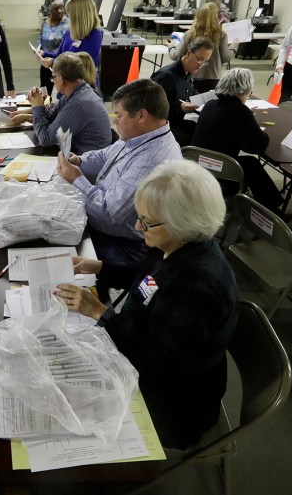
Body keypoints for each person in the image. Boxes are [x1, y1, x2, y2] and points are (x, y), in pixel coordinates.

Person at [55, 160, 238, 449]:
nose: (139, 227)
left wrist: (100, 312)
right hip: (143, 355)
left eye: (147, 221)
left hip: (173, 400)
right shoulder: (175, 245)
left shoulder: (195, 284)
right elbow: (145, 277)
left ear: (182, 223)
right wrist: (99, 266)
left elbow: (158, 361)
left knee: (64, 406)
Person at [56, 79, 182, 266]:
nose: (114, 120)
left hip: (124, 243)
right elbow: (106, 155)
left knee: (56, 247)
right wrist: (80, 161)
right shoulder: (140, 136)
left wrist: (77, 179)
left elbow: (108, 213)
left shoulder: (151, 161)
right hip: (104, 220)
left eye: (119, 115)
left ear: (141, 116)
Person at [193, 68, 286, 217]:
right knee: (251, 164)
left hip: (198, 166)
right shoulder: (241, 111)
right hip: (222, 173)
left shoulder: (210, 105)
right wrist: (263, 133)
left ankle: (271, 206)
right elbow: (259, 145)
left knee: (249, 163)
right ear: (246, 90)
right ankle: (272, 211)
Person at [28, 52, 112, 154]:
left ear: (61, 79)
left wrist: (37, 107)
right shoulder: (77, 91)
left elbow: (46, 139)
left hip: (87, 165)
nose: (53, 81)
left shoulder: (78, 103)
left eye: (53, 77)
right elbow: (52, 117)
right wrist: (39, 103)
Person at [151, 36, 214, 146]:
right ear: (188, 53)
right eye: (199, 59)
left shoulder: (187, 73)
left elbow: (191, 92)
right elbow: (153, 111)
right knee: (199, 141)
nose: (201, 65)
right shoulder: (165, 77)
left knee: (207, 133)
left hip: (175, 122)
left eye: (205, 62)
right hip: (159, 129)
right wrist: (179, 108)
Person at [168, 2, 232, 92]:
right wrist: (234, 46)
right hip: (213, 79)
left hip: (191, 78)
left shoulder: (190, 34)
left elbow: (176, 56)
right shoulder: (221, 35)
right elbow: (226, 58)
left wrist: (171, 46)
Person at [37, 0, 102, 76]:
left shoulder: (94, 35)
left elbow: (79, 65)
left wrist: (54, 62)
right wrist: (44, 54)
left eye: (70, 15)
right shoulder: (70, 31)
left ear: (79, 16)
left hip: (82, 82)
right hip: (67, 80)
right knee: (44, 71)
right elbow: (59, 55)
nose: (68, 18)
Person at [38, 0, 69, 95]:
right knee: (45, 89)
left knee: (64, 91)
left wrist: (54, 59)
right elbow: (40, 39)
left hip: (62, 63)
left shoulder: (68, 25)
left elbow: (66, 46)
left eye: (61, 8)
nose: (60, 10)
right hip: (46, 62)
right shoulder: (45, 24)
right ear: (50, 9)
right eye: (56, 8)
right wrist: (38, 50)